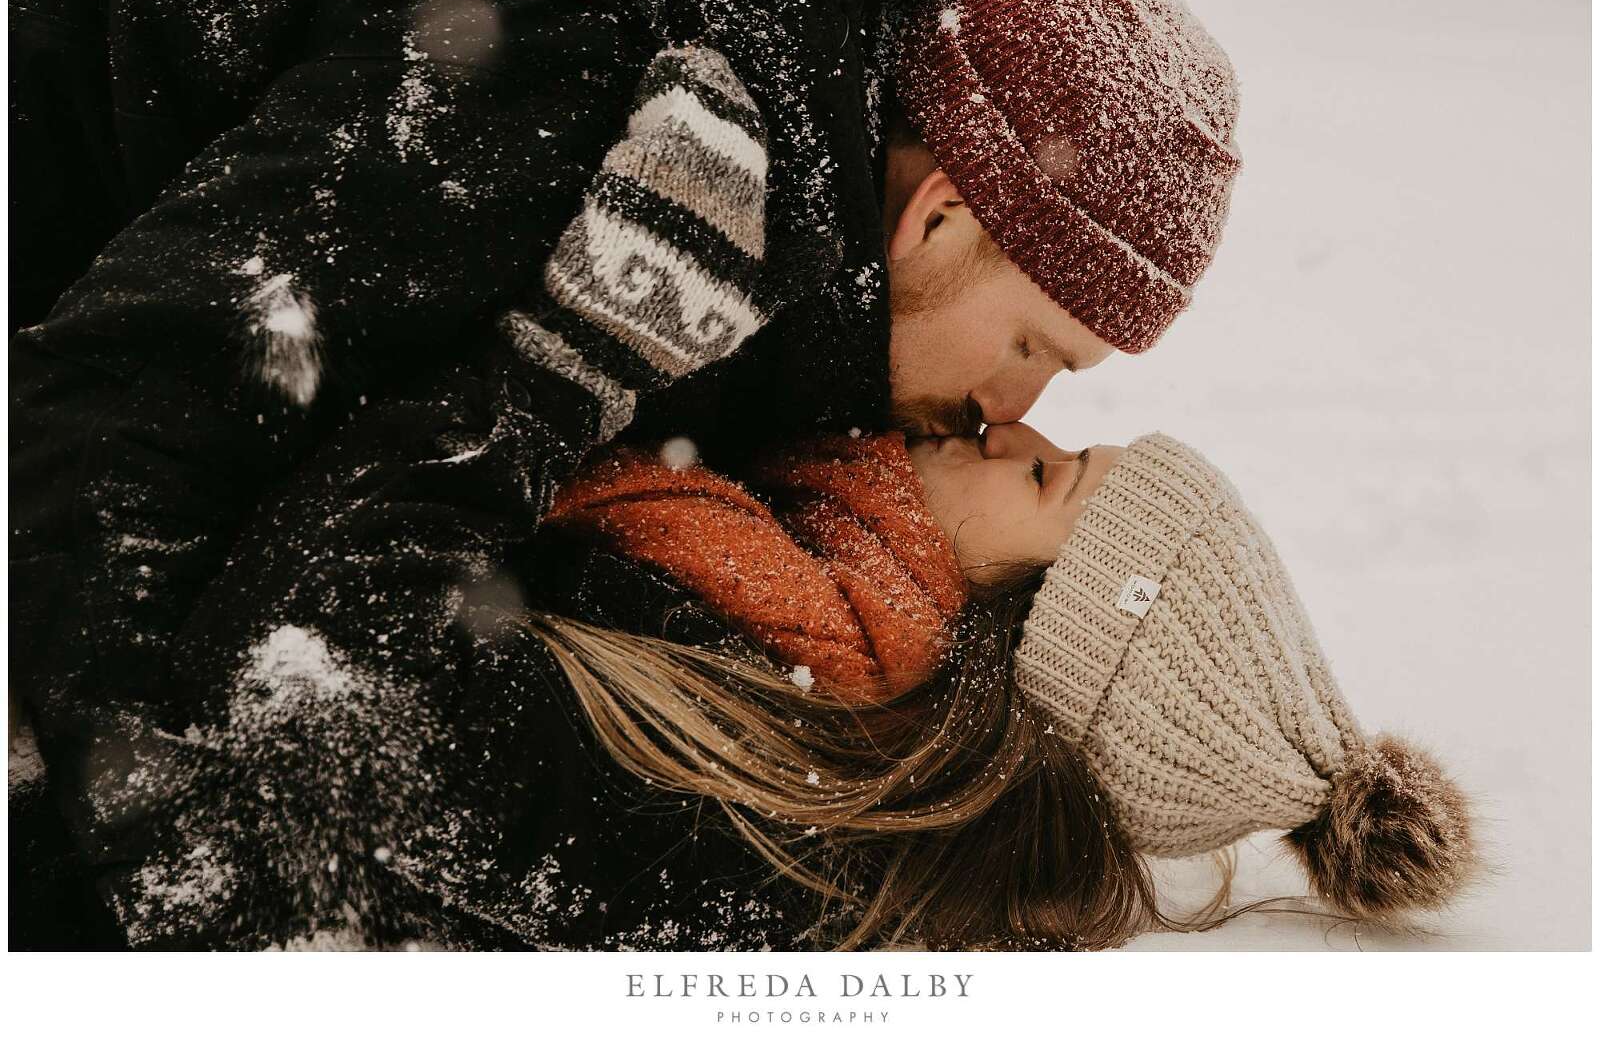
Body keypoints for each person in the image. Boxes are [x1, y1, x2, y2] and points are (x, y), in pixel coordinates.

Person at [10, 0, 1242, 944]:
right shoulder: (579, 56)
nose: (1013, 412)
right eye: (1034, 346)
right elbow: (137, 405)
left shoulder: (795, 258)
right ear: (934, 219)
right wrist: (144, 847)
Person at [90, 426, 1475, 950]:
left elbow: (292, 676)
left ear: (1023, 629)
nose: (1015, 424)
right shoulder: (787, 631)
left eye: (1050, 478)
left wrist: (542, 366)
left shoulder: (746, 801)